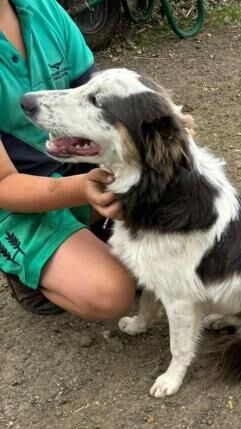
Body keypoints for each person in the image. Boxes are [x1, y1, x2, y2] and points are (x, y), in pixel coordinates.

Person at [0, 0, 136, 318]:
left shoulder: (42, 8)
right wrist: (83, 189)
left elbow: (98, 102)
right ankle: (23, 270)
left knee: (177, 204)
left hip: (72, 164)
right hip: (13, 198)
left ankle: (88, 230)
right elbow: (3, 184)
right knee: (112, 293)